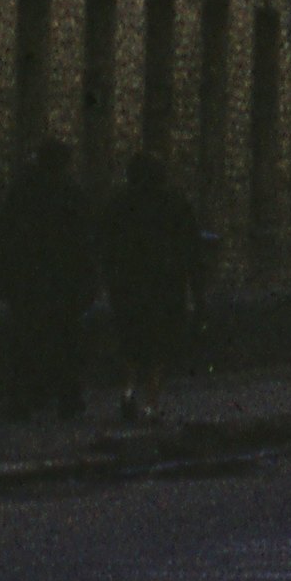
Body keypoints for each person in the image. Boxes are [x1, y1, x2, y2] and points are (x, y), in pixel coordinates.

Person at [0, 141, 97, 420]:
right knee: (66, 341)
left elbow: (5, 236)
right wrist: (88, 281)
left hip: (27, 281)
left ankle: (22, 399)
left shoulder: (23, 192)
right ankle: (67, 398)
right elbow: (84, 243)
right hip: (63, 283)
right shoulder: (72, 195)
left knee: (25, 340)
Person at [100, 151, 208, 425]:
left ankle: (127, 391)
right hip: (165, 286)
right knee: (160, 346)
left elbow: (106, 244)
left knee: (130, 341)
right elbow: (191, 248)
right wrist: (196, 289)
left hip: (127, 285)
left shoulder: (119, 204)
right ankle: (150, 404)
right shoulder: (174, 203)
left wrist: (109, 279)